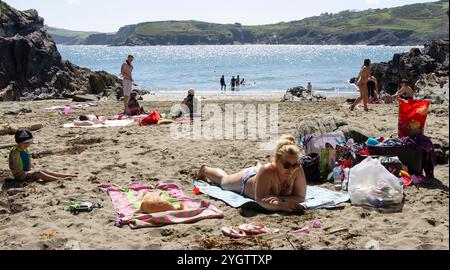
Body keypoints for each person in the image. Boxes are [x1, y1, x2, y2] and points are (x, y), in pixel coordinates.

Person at [196, 135, 306, 212]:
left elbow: (301, 197)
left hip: (261, 174)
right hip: (246, 180)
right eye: (287, 165)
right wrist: (282, 205)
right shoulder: (268, 170)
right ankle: (205, 169)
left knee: (262, 170)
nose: (291, 170)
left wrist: (281, 200)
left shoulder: (298, 170)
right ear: (276, 161)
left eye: (295, 165)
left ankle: (258, 166)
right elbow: (260, 199)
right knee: (223, 181)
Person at [8, 128, 76, 182]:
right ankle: (59, 179)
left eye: (28, 143)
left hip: (26, 171)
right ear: (18, 142)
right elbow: (15, 166)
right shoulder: (16, 151)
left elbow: (28, 161)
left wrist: (33, 168)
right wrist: (25, 173)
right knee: (38, 173)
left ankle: (64, 175)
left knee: (41, 170)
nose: (27, 145)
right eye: (24, 143)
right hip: (19, 176)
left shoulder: (26, 149)